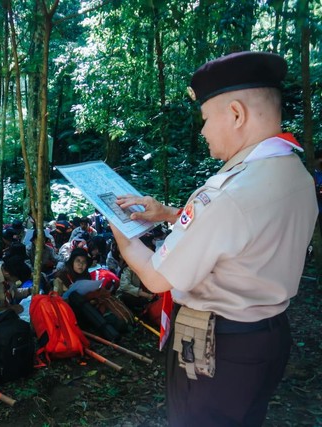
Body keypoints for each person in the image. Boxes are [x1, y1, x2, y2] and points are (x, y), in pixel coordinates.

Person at [112, 52, 317, 426]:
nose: (203, 131)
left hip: (217, 350)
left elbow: (158, 278)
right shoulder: (295, 173)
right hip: (265, 338)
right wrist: (171, 214)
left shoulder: (229, 193)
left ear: (236, 114)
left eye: (206, 119)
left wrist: (121, 231)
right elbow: (244, 231)